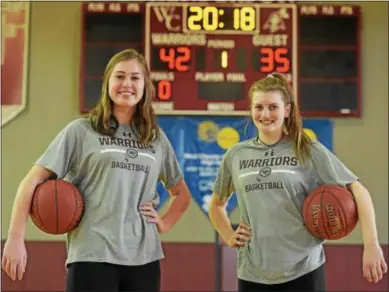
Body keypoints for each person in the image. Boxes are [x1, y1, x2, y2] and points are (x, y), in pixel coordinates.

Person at [1, 48, 191, 292]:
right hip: (92, 253)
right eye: (119, 76)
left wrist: (163, 224)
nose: (127, 84)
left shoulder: (154, 137)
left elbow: (181, 193)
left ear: (145, 86)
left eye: (135, 78)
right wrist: (16, 238)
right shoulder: (81, 130)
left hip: (144, 257)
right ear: (108, 83)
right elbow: (32, 180)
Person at [208, 73, 387, 291]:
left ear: (287, 110)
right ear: (251, 110)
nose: (265, 114)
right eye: (259, 107)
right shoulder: (236, 155)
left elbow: (359, 191)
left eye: (273, 107)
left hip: (304, 269)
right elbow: (216, 205)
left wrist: (371, 244)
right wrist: (228, 235)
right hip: (253, 272)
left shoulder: (307, 149)